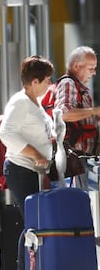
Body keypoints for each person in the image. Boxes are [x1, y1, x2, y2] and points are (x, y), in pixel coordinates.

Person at [0, 55, 54, 217]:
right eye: (47, 80)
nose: (49, 84)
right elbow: (6, 133)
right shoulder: (20, 102)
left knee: (39, 219)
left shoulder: (35, 101)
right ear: (35, 82)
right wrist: (35, 153)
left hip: (34, 171)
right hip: (22, 170)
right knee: (34, 220)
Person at [54, 46, 100, 190]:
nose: (94, 73)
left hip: (84, 160)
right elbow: (65, 113)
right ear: (76, 66)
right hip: (76, 162)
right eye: (91, 68)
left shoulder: (80, 88)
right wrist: (94, 111)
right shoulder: (68, 83)